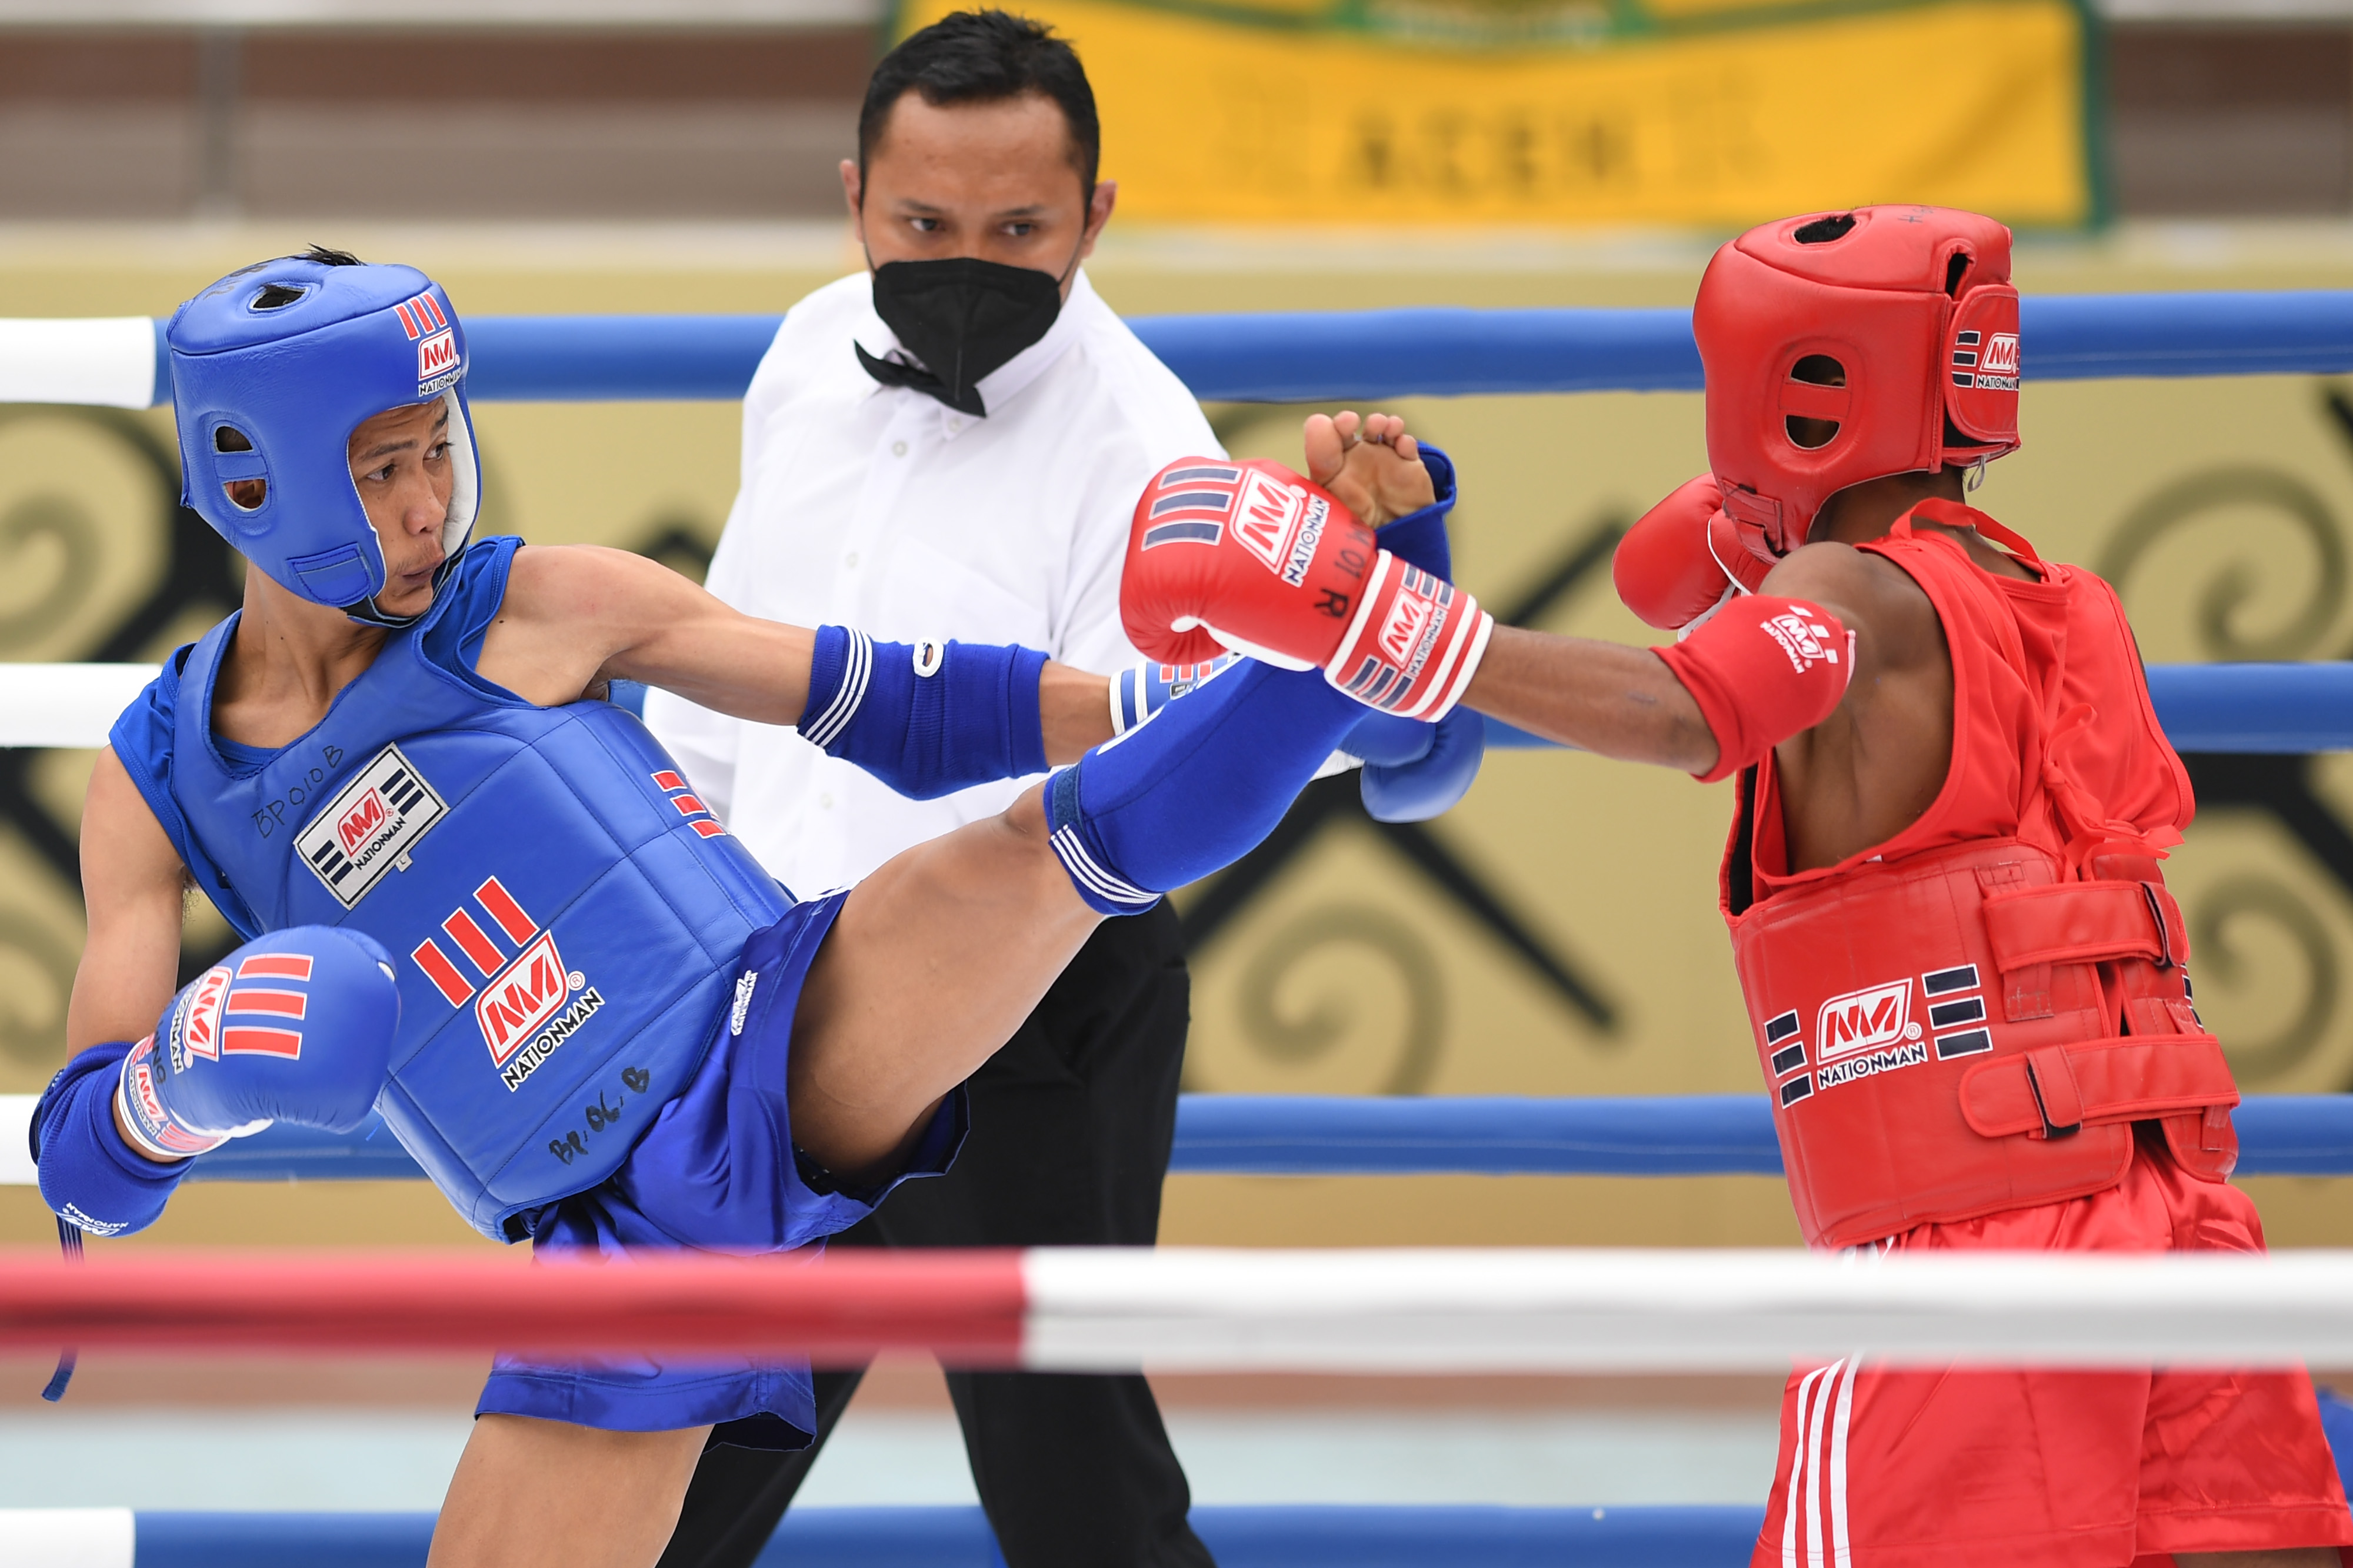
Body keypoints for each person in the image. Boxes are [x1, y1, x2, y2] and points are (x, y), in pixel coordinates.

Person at [29, 247, 1464, 1568]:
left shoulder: (530, 604)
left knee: (1043, 855)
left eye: (432, 452)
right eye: (379, 468)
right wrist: (172, 1089)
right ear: (256, 476)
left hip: (768, 1035)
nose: (424, 503)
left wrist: (1157, 694)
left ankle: (1359, 633)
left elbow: (891, 698)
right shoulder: (159, 777)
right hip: (612, 1232)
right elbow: (87, 1171)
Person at [1124, 205, 2353, 1567]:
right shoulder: (2066, 602)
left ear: (1791, 389)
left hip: (1958, 1274)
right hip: (2174, 1232)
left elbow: (1683, 709)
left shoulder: (1856, 593)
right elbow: (1700, 621)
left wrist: (1373, 606)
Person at [646, 15, 1478, 1568]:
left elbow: (1116, 784)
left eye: (1017, 228)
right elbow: (730, 662)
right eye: (924, 224)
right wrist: (686, 917)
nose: (965, 258)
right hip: (772, 984)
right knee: (677, 1454)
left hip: (1029, 1008)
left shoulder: (1148, 450)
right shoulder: (804, 353)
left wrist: (1351, 621)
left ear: (1096, 215)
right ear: (854, 201)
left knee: (1070, 1474)